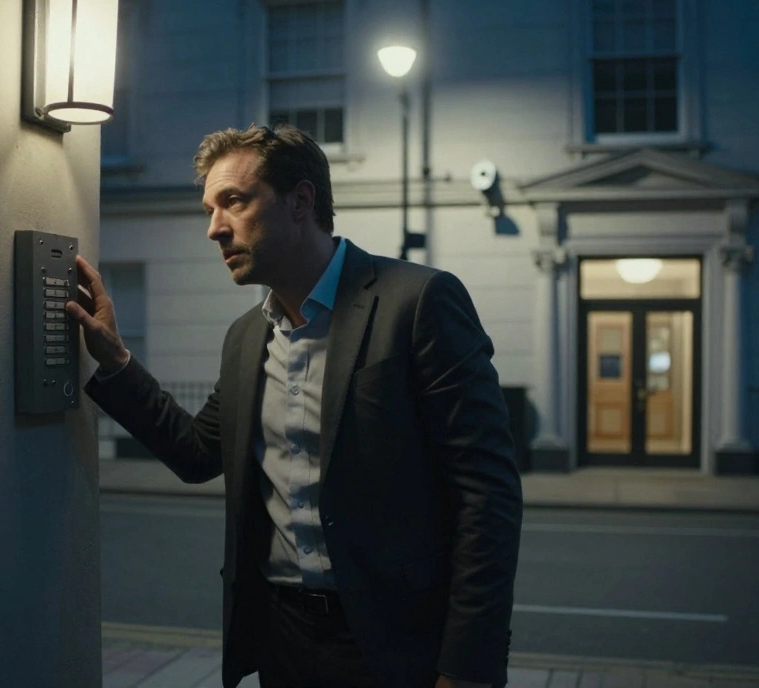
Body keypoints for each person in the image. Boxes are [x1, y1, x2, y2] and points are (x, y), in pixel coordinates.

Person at [67, 124, 522, 688]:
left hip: (394, 644)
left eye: (233, 201)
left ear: (301, 201)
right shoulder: (245, 338)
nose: (214, 228)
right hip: (281, 639)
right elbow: (196, 453)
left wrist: (468, 666)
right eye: (209, 208)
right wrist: (114, 361)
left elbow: (487, 495)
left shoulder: (419, 301)